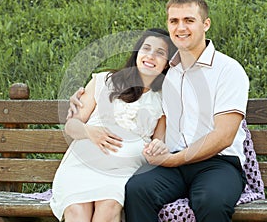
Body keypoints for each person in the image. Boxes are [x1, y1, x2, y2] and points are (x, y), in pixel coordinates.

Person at [68, 0, 249, 222]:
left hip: (217, 163)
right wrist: (84, 94)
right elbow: (129, 87)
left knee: (209, 200)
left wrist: (176, 159)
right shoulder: (166, 73)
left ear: (206, 24)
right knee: (137, 190)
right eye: (174, 21)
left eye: (189, 20)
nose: (180, 27)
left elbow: (224, 136)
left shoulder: (228, 70)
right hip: (171, 164)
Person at [50, 28, 176, 222]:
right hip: (81, 167)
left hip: (121, 173)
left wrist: (158, 146)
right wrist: (89, 131)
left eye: (160, 53)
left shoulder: (163, 98)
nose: (151, 56)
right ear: (137, 53)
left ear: (167, 63)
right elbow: (71, 126)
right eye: (146, 49)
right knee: (77, 213)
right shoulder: (104, 81)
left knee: (108, 209)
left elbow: (158, 140)